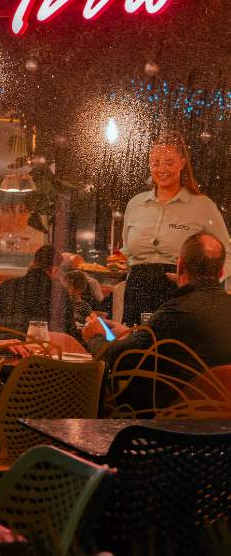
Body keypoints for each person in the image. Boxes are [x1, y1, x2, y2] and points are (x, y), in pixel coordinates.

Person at [83, 233, 231, 411]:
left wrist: (95, 336)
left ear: (180, 266)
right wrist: (133, 334)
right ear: (221, 272)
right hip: (220, 426)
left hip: (164, 424)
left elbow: (118, 359)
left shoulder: (176, 311)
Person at [121, 132, 230, 326]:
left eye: (169, 162)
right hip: (137, 289)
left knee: (173, 350)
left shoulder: (202, 205)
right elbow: (126, 251)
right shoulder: (135, 204)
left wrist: (205, 287)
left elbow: (227, 253)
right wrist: (122, 263)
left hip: (181, 292)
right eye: (155, 163)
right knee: (134, 350)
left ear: (182, 163)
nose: (162, 169)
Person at [0, 246, 74, 334]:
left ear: (34, 262)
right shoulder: (58, 292)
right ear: (54, 269)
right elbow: (68, 327)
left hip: (6, 343)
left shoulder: (7, 285)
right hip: (41, 344)